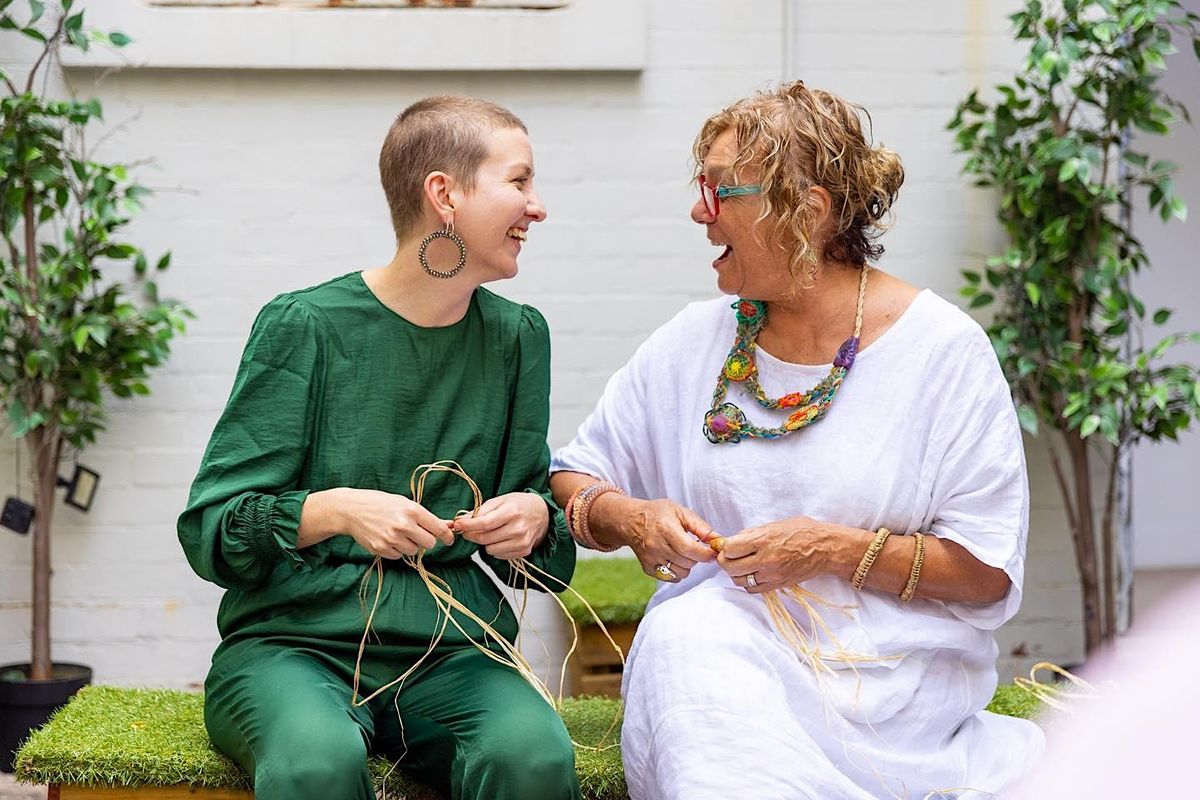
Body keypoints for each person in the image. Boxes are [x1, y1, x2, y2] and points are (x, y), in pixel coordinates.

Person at [550, 81, 1044, 799]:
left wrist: (829, 549)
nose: (699, 211)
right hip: (718, 686)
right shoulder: (691, 345)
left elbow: (987, 570)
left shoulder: (943, 353)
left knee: (695, 640)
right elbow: (572, 474)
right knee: (692, 634)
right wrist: (631, 519)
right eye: (700, 188)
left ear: (806, 212)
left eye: (722, 192)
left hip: (891, 700)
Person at [178, 96, 579, 800]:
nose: (537, 206)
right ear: (444, 194)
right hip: (291, 648)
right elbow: (213, 530)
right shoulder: (303, 325)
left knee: (531, 755)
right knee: (315, 762)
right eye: (519, 182)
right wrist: (335, 510)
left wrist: (534, 519)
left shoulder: (518, 337)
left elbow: (539, 566)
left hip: (454, 651)